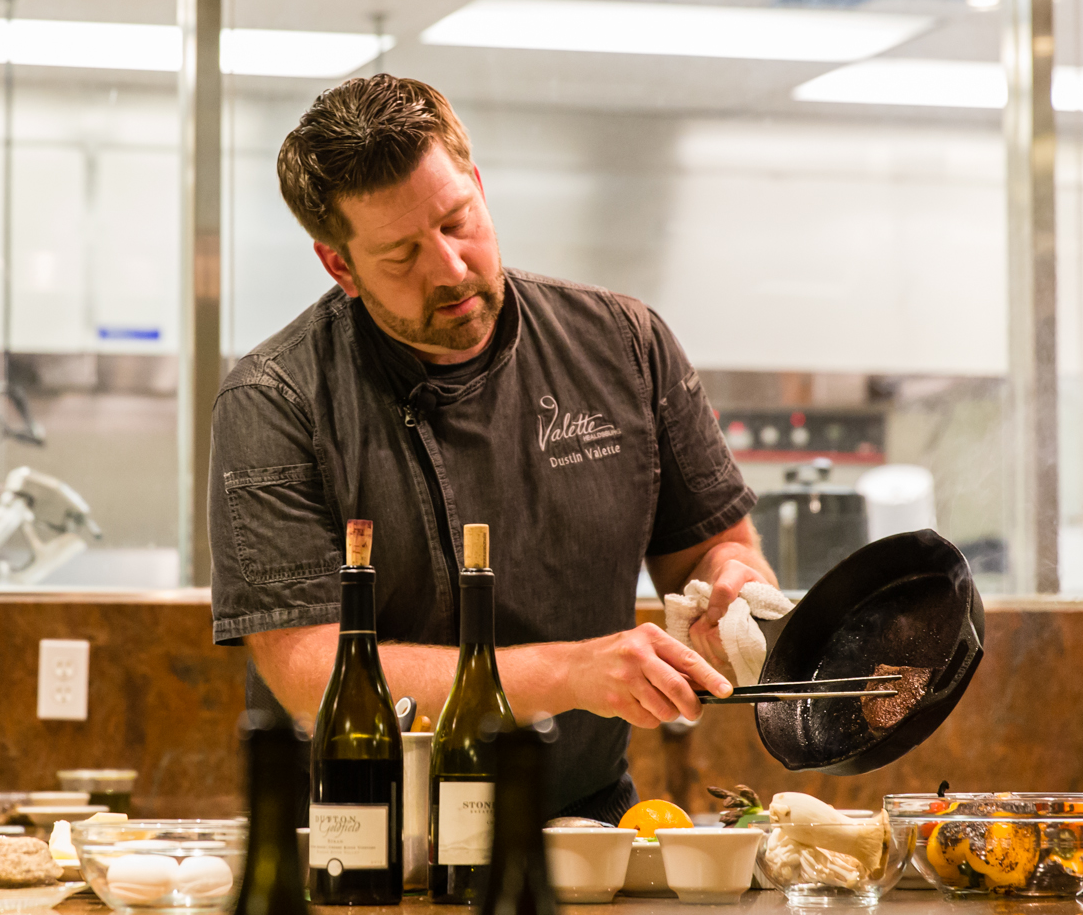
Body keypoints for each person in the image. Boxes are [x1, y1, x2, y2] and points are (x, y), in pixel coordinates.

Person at [209, 74, 776, 822]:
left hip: (579, 833)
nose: (447, 269)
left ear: (476, 184)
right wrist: (571, 673)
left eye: (456, 222)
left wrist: (731, 585)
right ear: (339, 265)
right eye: (401, 253)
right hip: (359, 843)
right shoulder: (274, 400)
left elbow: (716, 552)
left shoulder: (625, 347)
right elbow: (310, 669)